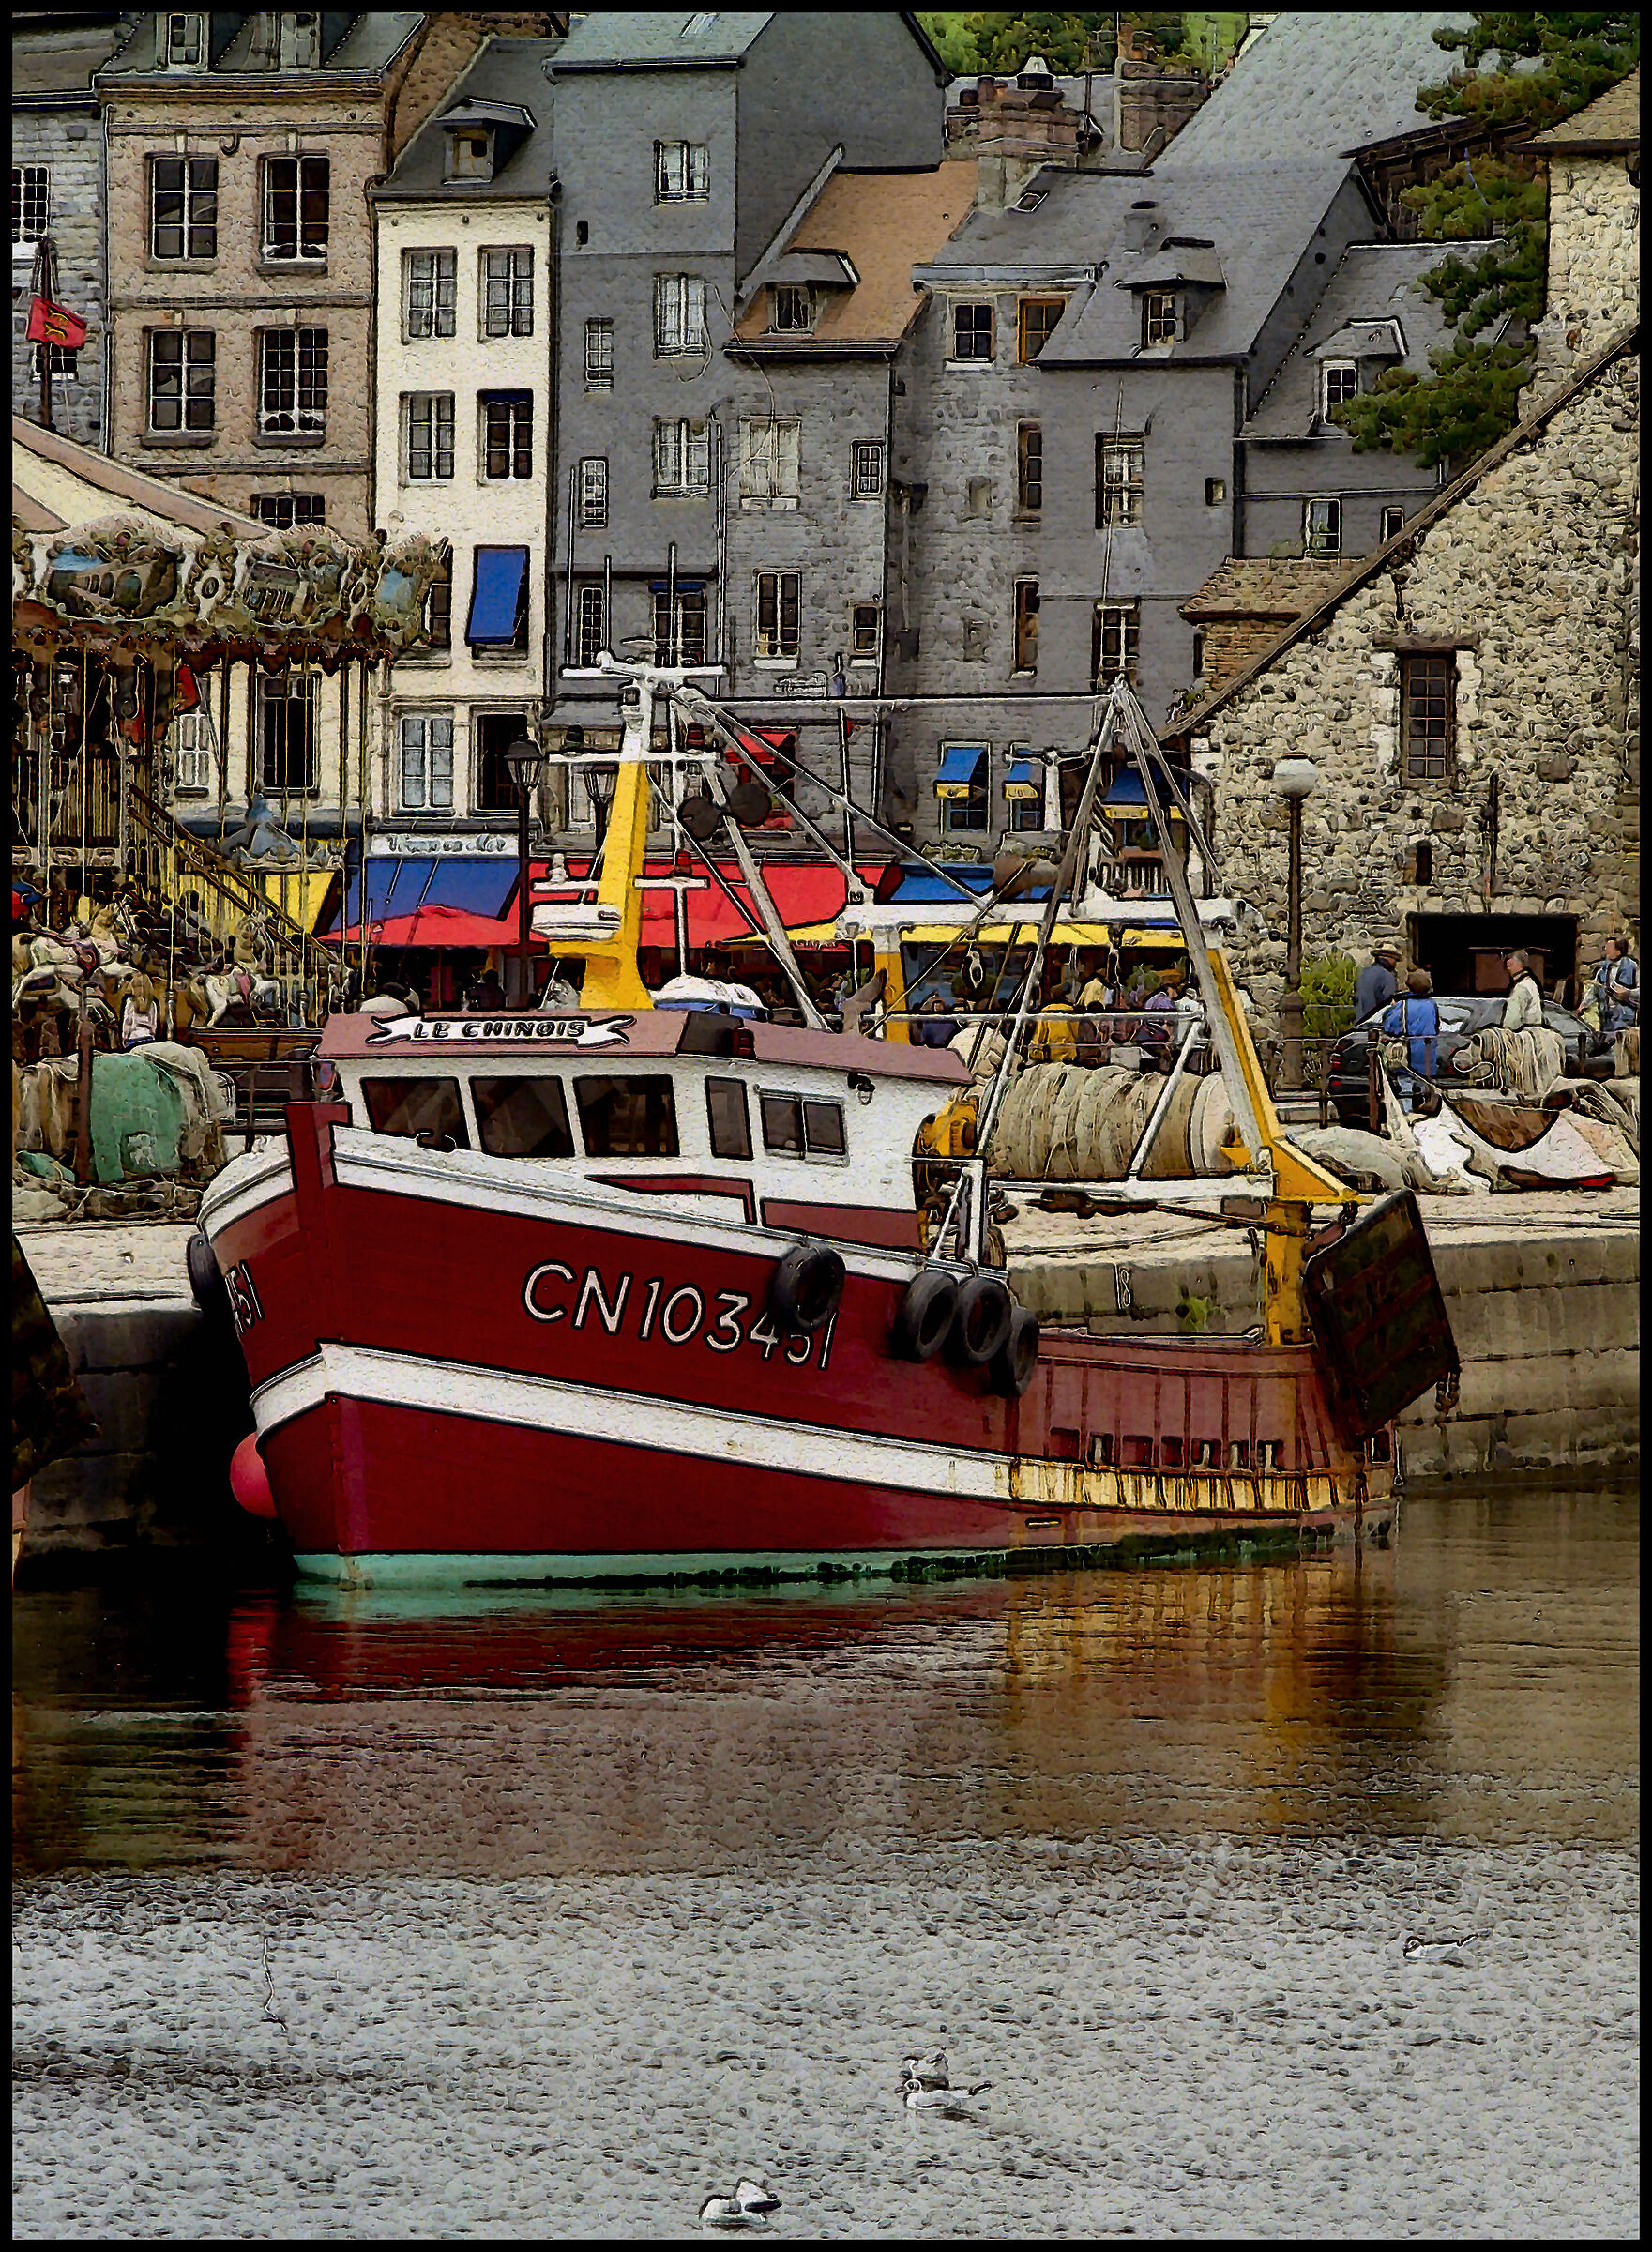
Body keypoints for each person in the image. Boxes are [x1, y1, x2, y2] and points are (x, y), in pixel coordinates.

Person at [1382, 968, 1441, 1106]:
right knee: (1424, 1084)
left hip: (1408, 1052)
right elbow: (1436, 1026)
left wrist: (1391, 1008)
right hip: (1428, 1052)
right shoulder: (1432, 1004)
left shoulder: (1403, 1004)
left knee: (1406, 1084)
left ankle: (1407, 1113)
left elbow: (1390, 1027)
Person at [1593, 935, 1639, 1035]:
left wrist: (1627, 993)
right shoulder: (1603, 969)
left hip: (1624, 1018)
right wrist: (1583, 1006)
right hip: (1606, 1017)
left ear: (1618, 951)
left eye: (1609, 947)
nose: (1605, 949)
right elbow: (1594, 988)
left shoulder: (1633, 967)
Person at [1355, 943, 1402, 1022]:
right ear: (1389, 958)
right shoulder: (1387, 976)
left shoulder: (1363, 972)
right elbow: (1390, 1004)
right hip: (1376, 1024)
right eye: (1395, 959)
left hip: (1360, 1020)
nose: (1396, 963)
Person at [1502, 950, 1544, 1034]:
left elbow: (1512, 1021)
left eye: (1510, 959)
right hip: (1534, 1033)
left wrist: (1505, 1034)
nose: (1507, 963)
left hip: (1524, 1036)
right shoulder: (1530, 983)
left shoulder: (1522, 987)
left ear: (1519, 963)